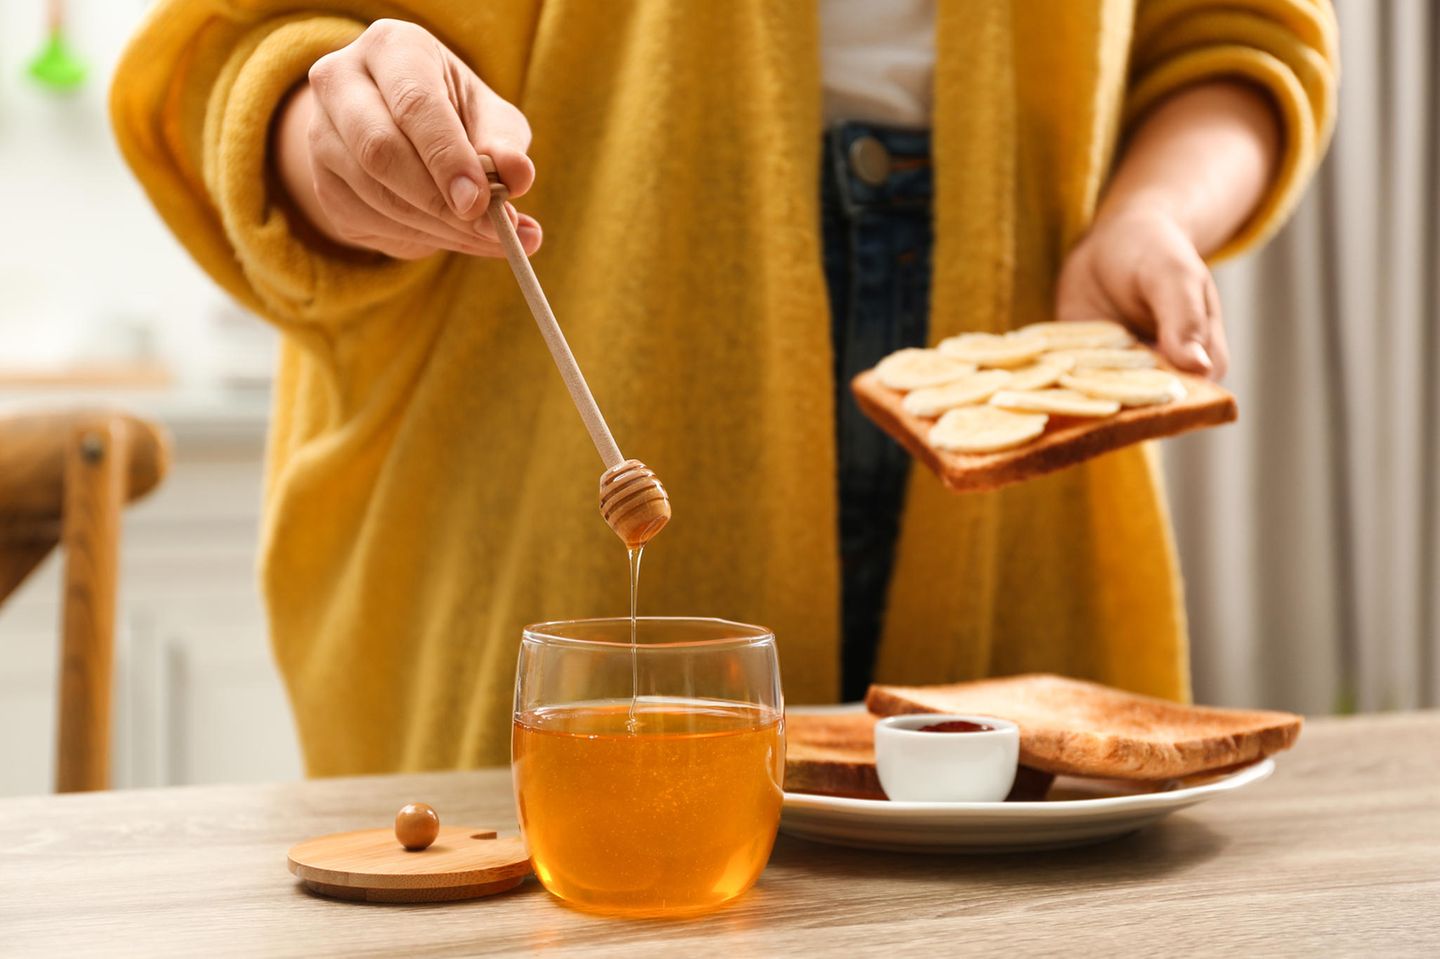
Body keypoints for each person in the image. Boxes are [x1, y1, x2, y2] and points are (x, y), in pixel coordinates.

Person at [112, 1, 1337, 774]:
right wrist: (338, 135)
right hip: (512, 424)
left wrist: (1149, 211)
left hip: (1021, 454)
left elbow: (1239, 34)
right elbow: (253, 50)